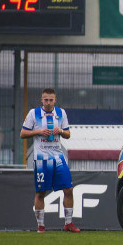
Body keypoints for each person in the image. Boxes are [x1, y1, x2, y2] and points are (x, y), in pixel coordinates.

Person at [20, 87, 78, 233]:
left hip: (58, 157)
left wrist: (61, 131)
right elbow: (23, 133)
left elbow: (68, 134)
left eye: (51, 100)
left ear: (55, 100)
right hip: (41, 158)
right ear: (41, 100)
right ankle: (41, 226)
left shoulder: (61, 113)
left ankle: (68, 223)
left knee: (69, 189)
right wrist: (38, 131)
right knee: (41, 192)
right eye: (45, 100)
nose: (48, 102)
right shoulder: (33, 113)